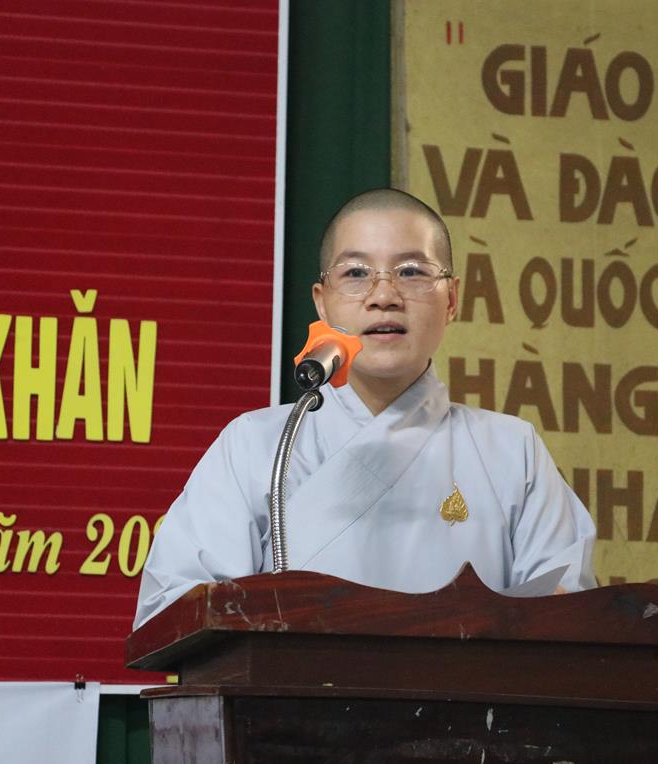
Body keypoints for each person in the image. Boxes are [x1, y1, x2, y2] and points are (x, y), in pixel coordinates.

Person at [133, 189, 596, 629]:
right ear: (322, 303)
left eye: (411, 271)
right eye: (356, 273)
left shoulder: (511, 451)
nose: (384, 295)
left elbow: (568, 614)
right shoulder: (256, 446)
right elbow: (175, 608)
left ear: (451, 300)